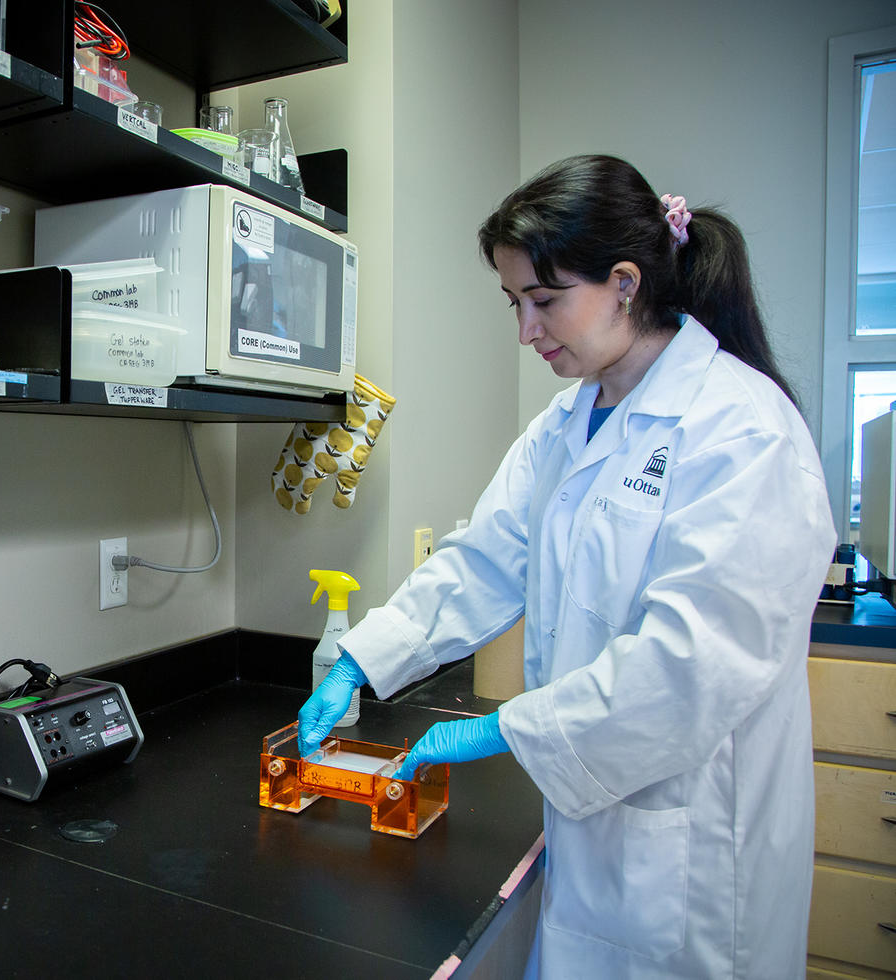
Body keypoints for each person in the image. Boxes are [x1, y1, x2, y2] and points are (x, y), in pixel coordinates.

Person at [297, 154, 835, 979]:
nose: (525, 331)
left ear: (624, 282)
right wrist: (363, 662)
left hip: (694, 855)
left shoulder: (742, 429)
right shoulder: (567, 422)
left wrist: (508, 726)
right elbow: (483, 559)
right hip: (594, 826)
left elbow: (688, 666)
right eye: (514, 303)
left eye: (545, 301)